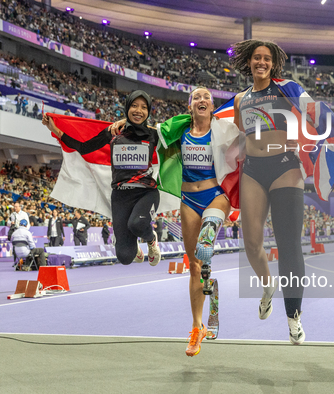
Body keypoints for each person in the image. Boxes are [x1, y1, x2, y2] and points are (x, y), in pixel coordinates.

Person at [110, 86, 240, 357]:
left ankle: (210, 233)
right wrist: (125, 122)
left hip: (217, 195)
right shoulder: (179, 131)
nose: (202, 100)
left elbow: (245, 136)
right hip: (189, 200)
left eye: (207, 97)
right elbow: (150, 131)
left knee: (206, 238)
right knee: (194, 265)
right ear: (189, 105)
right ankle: (197, 327)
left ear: (212, 105)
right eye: (197, 97)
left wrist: (242, 105)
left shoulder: (224, 130)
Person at [231, 39, 334, 345]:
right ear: (249, 62)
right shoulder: (240, 100)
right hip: (253, 169)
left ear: (273, 63)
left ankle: (294, 316)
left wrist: (317, 141)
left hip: (286, 167)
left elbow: (317, 112)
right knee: (252, 243)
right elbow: (237, 131)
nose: (262, 63)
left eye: (267, 59)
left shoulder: (288, 88)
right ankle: (268, 286)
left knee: (289, 245)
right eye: (257, 58)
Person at [43, 90, 161, 265]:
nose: (139, 110)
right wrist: (56, 130)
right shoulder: (114, 132)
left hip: (146, 193)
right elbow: (84, 148)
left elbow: (175, 130)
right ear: (127, 107)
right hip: (121, 196)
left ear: (149, 111)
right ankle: (132, 242)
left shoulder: (154, 134)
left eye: (144, 107)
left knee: (137, 224)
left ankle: (151, 240)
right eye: (134, 106)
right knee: (125, 257)